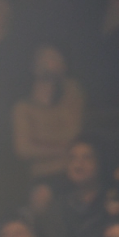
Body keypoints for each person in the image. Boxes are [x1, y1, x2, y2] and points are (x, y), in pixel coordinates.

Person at [11, 48, 83, 184]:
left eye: (57, 58)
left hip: (74, 174)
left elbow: (72, 134)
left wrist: (41, 143)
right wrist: (63, 148)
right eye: (46, 57)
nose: (51, 62)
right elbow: (23, 149)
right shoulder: (22, 108)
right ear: (34, 66)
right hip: (42, 178)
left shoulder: (72, 93)